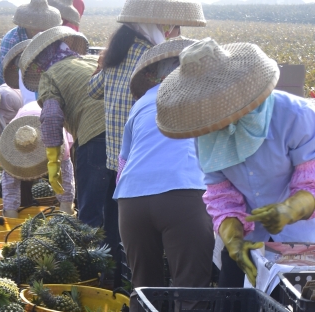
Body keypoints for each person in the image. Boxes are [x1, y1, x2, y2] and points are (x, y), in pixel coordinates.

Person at [156, 38, 315, 286]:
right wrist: (233, 239)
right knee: (235, 303)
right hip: (251, 244)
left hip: (302, 244)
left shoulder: (295, 116)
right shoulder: (207, 135)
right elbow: (222, 196)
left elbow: (310, 182)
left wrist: (289, 211)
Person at [88, 0, 205, 279]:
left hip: (124, 172)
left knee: (128, 256)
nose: (176, 33)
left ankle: (113, 287)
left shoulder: (117, 54)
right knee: (183, 271)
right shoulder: (152, 58)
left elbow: (92, 89)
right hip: (168, 175)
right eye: (174, 27)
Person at [116, 38, 213, 295]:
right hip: (183, 194)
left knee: (144, 290)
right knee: (191, 290)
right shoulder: (205, 98)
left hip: (131, 200)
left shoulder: (141, 103)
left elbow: (123, 163)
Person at [21, 28, 113, 239]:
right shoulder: (91, 60)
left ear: (40, 62)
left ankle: (91, 258)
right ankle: (117, 260)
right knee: (115, 212)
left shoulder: (50, 76)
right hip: (124, 136)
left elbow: (52, 116)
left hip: (94, 140)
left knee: (90, 217)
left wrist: (53, 162)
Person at [0, 106, 76, 216]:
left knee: (65, 189)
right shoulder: (10, 144)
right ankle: (24, 204)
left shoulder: (57, 140)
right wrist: (10, 214)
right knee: (17, 180)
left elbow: (66, 179)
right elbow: (9, 185)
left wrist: (66, 207)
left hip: (51, 121)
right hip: (23, 118)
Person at [0, 0, 61, 89]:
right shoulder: (12, 40)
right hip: (7, 85)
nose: (44, 30)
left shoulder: (49, 36)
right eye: (41, 28)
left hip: (33, 82)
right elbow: (9, 74)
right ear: (30, 27)